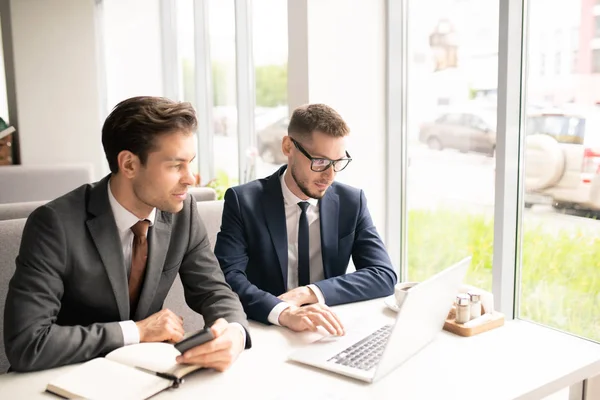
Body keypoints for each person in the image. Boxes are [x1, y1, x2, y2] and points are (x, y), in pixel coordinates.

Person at [4, 96, 251, 372]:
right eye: (175, 166)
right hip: (64, 377)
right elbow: (27, 343)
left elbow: (214, 291)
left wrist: (234, 333)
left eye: (190, 163)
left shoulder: (183, 211)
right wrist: (136, 332)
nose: (190, 178)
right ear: (129, 165)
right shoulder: (54, 225)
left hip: (141, 374)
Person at [214, 104, 397, 335]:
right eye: (319, 161)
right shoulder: (243, 202)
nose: (329, 175)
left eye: (338, 162)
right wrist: (282, 311)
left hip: (326, 328)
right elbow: (227, 279)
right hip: (267, 328)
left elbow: (383, 274)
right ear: (288, 147)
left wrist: (309, 292)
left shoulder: (351, 201)